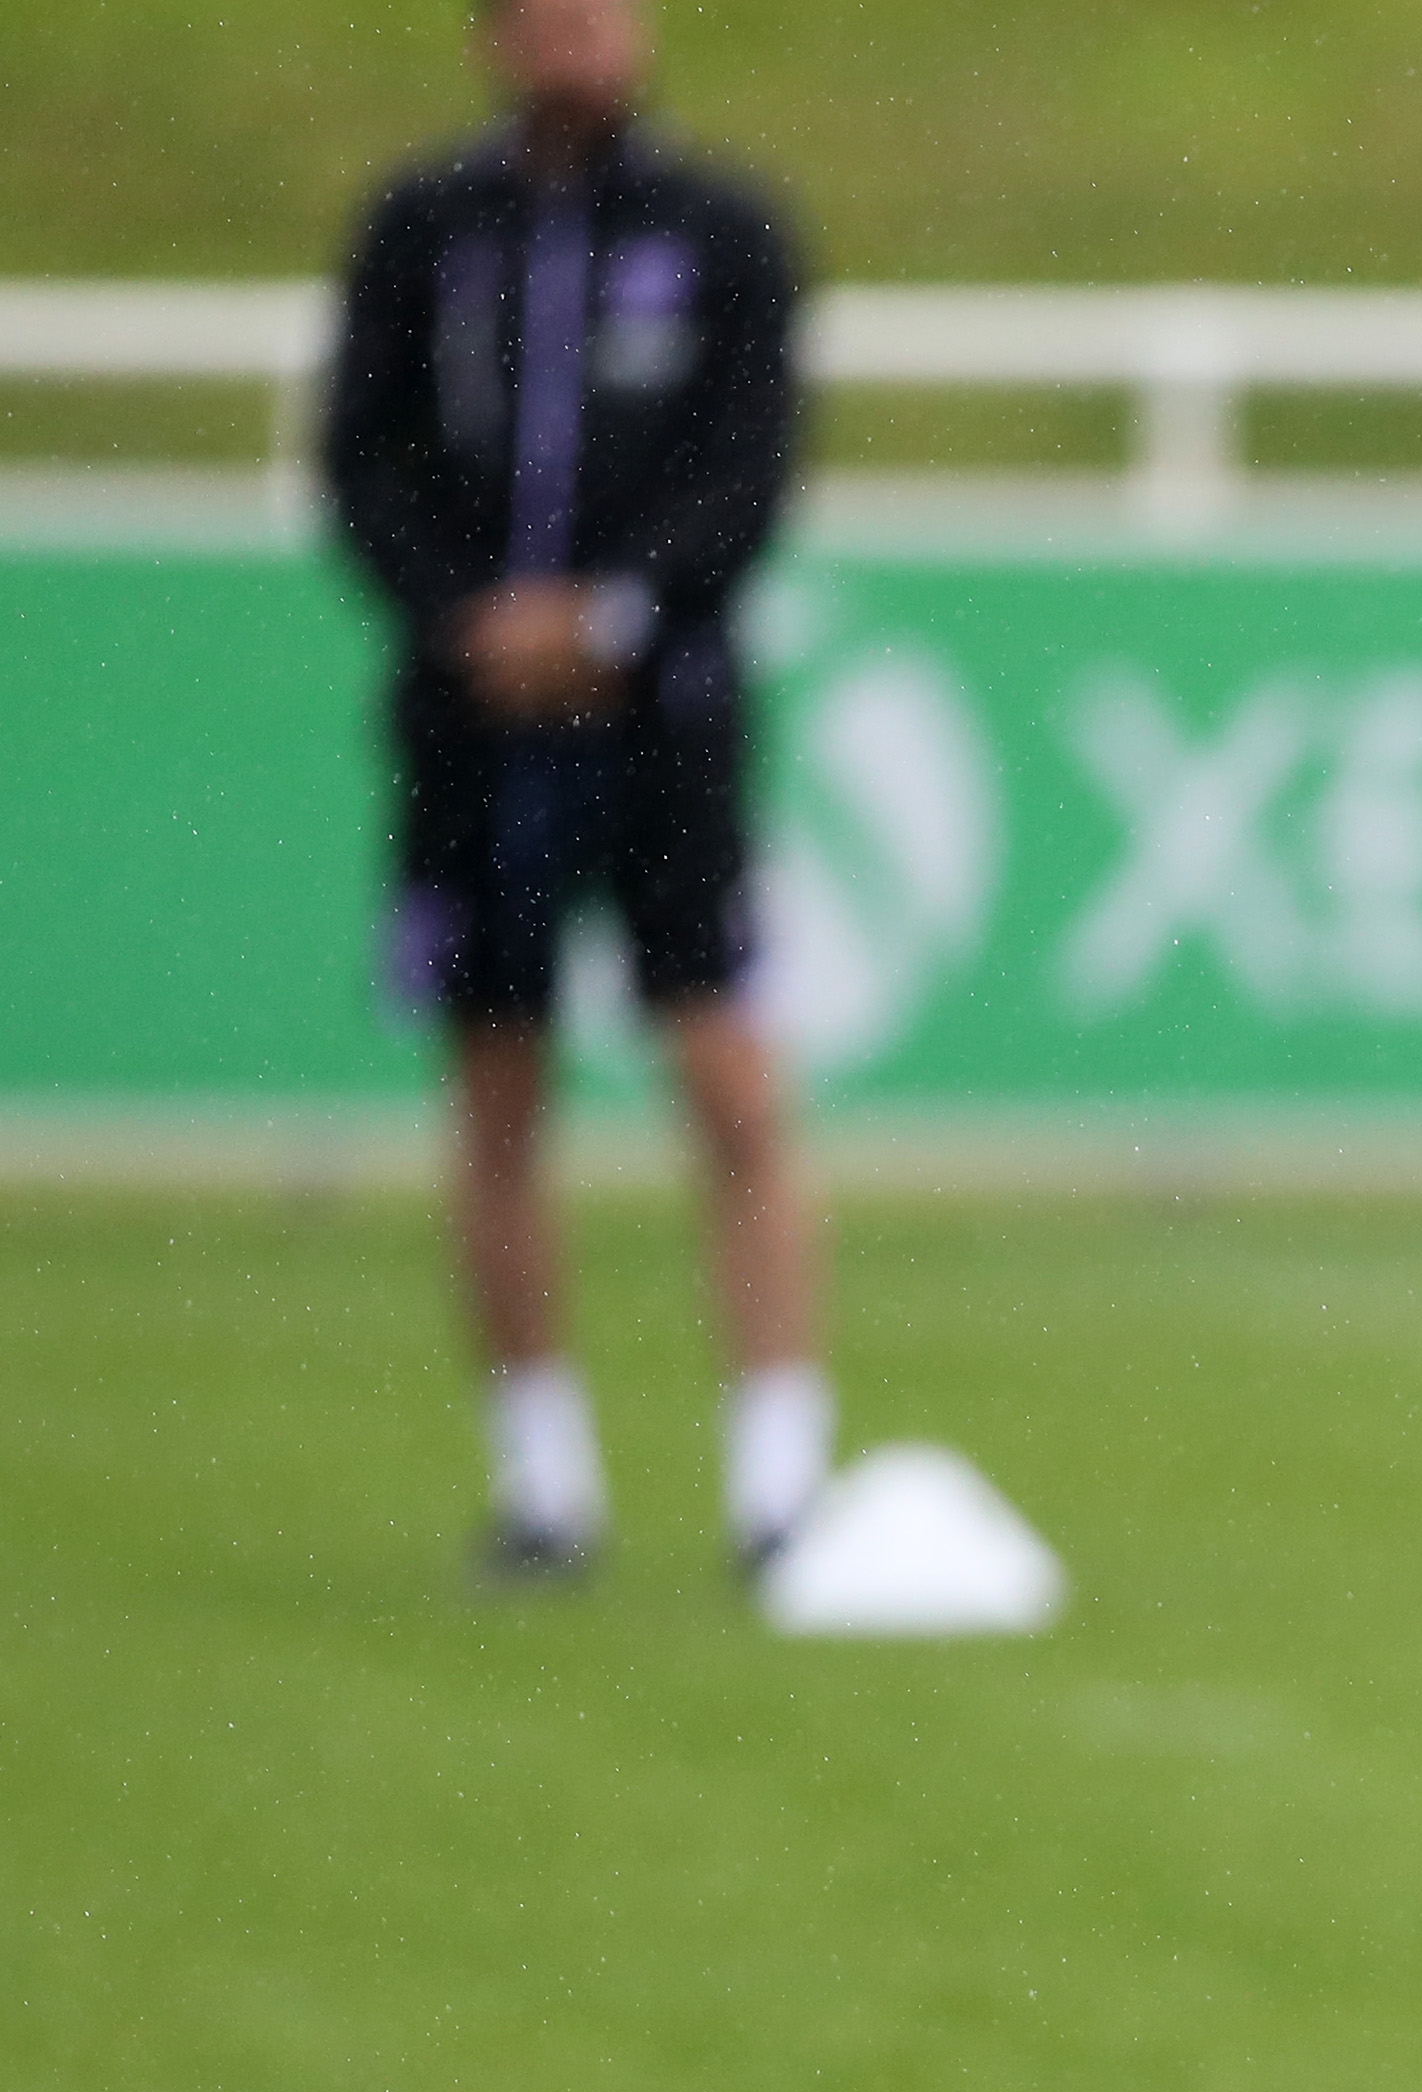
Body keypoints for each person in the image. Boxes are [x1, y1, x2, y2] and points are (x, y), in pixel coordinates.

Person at [324, 0, 828, 1585]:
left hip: (661, 713)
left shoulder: (725, 228)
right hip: (471, 718)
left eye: (600, 16)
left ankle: (776, 1487)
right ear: (491, 39)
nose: (578, 46)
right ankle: (546, 1488)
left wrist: (611, 613)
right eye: (544, 20)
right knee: (495, 1090)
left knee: (727, 1076)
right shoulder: (422, 228)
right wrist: (468, 619)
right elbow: (358, 458)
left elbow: (750, 464)